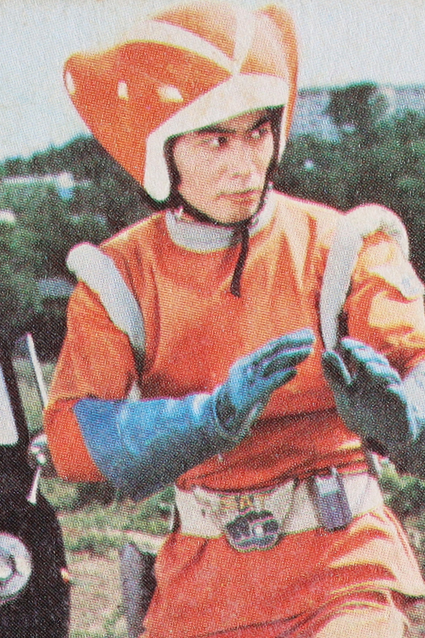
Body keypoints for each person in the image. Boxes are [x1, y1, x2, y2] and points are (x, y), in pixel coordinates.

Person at [44, 2, 425, 636]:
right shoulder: (118, 278)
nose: (245, 165)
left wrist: (405, 415)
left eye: (257, 132)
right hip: (203, 584)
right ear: (163, 149)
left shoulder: (345, 245)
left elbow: (420, 357)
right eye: (216, 140)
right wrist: (207, 419)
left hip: (343, 565)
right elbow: (72, 440)